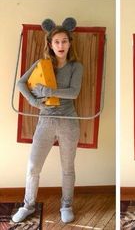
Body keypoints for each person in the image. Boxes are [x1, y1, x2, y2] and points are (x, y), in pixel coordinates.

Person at [12, 17, 83, 224]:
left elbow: (74, 93)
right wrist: (35, 102)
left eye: (64, 41)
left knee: (68, 167)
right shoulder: (41, 65)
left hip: (68, 121)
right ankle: (28, 205)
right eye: (57, 42)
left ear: (70, 43)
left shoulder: (75, 66)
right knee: (33, 166)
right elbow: (21, 83)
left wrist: (50, 91)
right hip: (45, 121)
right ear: (50, 45)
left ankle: (66, 204)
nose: (61, 45)